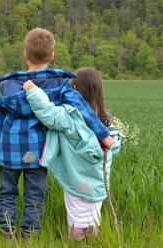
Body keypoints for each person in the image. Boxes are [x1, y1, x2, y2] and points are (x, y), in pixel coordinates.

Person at [0, 28, 114, 239]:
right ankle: (30, 234)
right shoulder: (59, 85)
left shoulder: (9, 86)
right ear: (52, 55)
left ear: (25, 55)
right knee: (34, 195)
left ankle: (7, 232)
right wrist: (102, 134)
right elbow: (82, 109)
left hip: (9, 150)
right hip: (39, 151)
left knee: (6, 192)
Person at [23, 67, 121, 240]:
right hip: (98, 183)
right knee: (92, 216)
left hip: (77, 181)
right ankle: (92, 241)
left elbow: (48, 113)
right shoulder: (105, 121)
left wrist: (33, 91)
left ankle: (75, 241)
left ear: (74, 89)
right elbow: (114, 147)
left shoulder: (72, 116)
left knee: (77, 216)